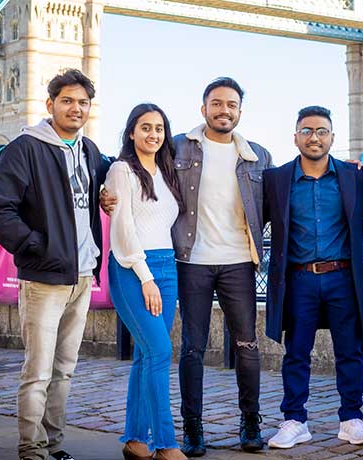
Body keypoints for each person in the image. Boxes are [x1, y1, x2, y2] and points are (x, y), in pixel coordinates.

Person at [101, 77, 272, 456]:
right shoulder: (178, 147)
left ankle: (250, 423)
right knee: (189, 349)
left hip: (239, 263)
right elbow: (117, 170)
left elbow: (274, 203)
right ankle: (188, 431)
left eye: (231, 104)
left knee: (246, 345)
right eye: (216, 103)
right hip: (189, 262)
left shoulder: (258, 155)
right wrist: (104, 191)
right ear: (203, 108)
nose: (223, 110)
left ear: (240, 111)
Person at [0, 69, 112, 460]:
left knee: (65, 370)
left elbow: (122, 180)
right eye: (68, 101)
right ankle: (32, 449)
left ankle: (55, 446)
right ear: (50, 105)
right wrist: (38, 246)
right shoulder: (24, 149)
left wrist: (108, 198)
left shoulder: (90, 151)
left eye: (83, 102)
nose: (76, 108)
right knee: (38, 371)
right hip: (43, 278)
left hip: (82, 274)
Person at [263, 106, 363, 449]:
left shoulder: (352, 177)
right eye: (308, 131)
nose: (315, 137)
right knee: (296, 352)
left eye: (322, 131)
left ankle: (351, 419)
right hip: (298, 279)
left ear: (332, 138)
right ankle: (294, 420)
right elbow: (249, 218)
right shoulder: (277, 180)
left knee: (350, 351)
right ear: (296, 136)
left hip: (343, 277)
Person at [104, 104, 187, 460]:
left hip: (167, 266)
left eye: (159, 128)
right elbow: (122, 230)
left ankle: (136, 440)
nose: (153, 134)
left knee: (145, 354)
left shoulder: (167, 171)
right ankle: (165, 444)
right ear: (131, 133)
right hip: (132, 267)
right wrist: (146, 277)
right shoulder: (121, 171)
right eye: (145, 127)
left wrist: (160, 274)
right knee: (160, 351)